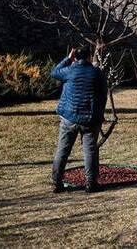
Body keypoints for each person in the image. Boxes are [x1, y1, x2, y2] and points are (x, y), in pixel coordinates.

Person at [50, 46, 107, 194]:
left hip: (69, 117)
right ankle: (91, 183)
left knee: (62, 150)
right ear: (89, 57)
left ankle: (56, 182)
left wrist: (68, 59)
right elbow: (103, 96)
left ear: (75, 56)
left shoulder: (69, 70)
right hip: (90, 119)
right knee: (90, 151)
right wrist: (100, 115)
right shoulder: (97, 73)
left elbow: (54, 72)